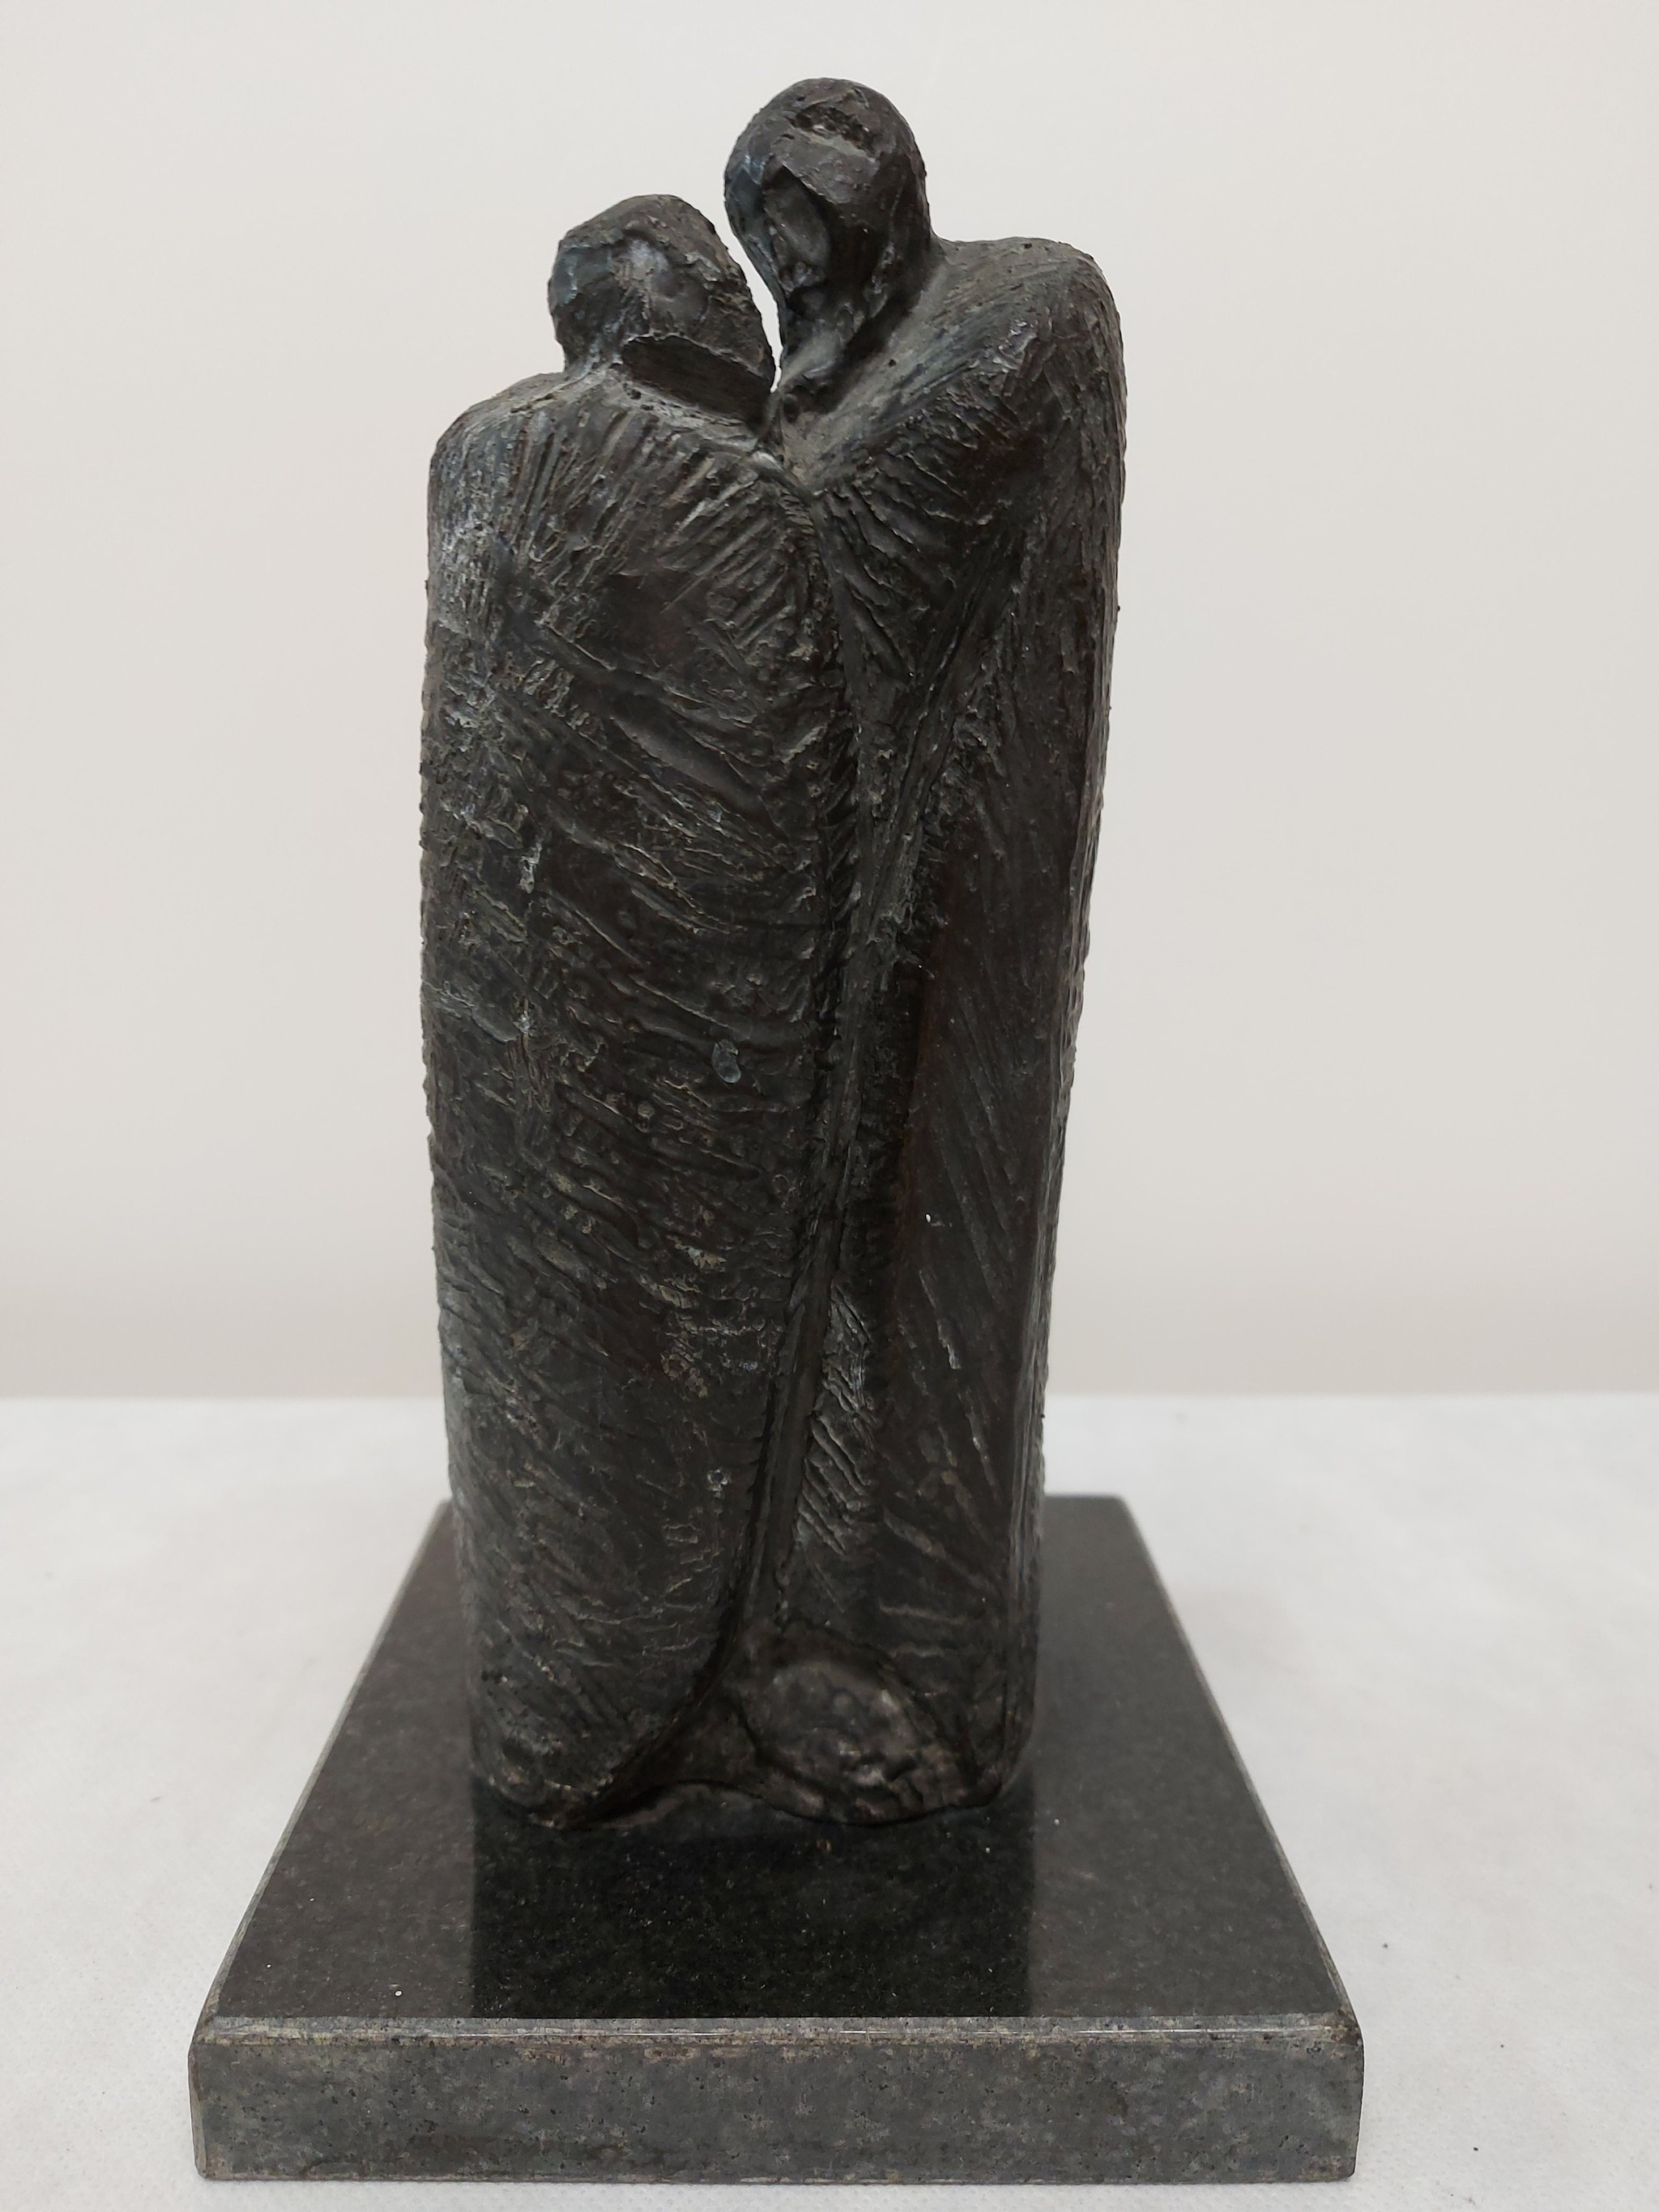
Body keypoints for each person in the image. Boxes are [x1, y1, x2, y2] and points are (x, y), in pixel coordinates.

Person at [708, 82, 1128, 1816]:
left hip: (955, 862)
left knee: (924, 1229)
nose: (792, 257)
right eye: (767, 229)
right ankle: (774, 1628)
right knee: (800, 1237)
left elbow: (839, 523)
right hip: (801, 876)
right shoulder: (788, 389)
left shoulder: (1022, 307)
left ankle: (914, 1646)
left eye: (811, 216)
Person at [422, 196, 851, 1823]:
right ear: (669, 307)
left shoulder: (475, 452)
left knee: (548, 1327)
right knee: (676, 1339)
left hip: (517, 1004)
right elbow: (787, 770)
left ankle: (565, 1699)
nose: (745, 307)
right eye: (718, 281)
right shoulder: (728, 488)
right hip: (692, 1009)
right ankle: (638, 1699)